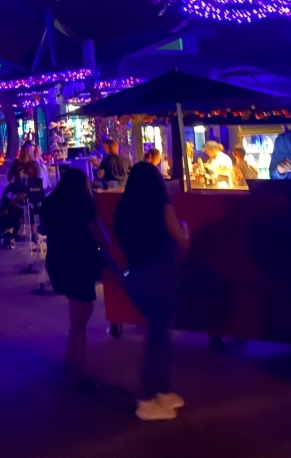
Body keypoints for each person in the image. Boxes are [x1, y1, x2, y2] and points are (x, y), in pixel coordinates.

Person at [113, 162, 190, 421]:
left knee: (160, 333)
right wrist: (185, 229)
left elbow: (119, 240)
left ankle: (163, 390)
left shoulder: (123, 207)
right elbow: (181, 238)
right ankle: (146, 397)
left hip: (136, 276)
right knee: (160, 335)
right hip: (161, 274)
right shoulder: (162, 206)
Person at [40, 168, 110, 388]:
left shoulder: (50, 203)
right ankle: (77, 372)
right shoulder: (84, 203)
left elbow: (43, 229)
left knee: (76, 313)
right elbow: (98, 233)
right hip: (80, 261)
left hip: (58, 261)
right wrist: (110, 250)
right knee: (81, 318)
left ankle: (70, 360)